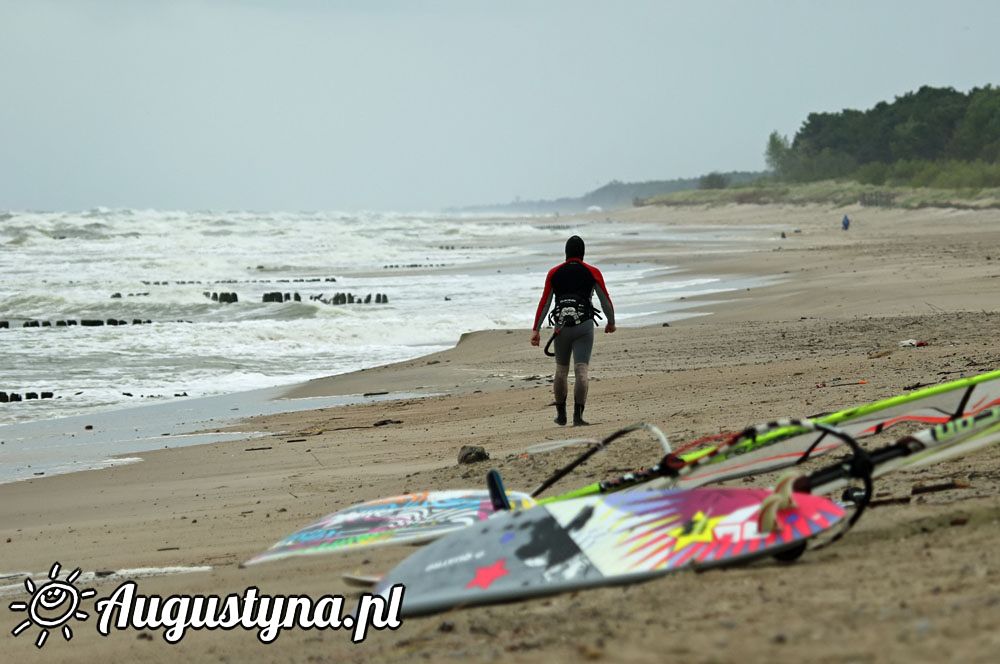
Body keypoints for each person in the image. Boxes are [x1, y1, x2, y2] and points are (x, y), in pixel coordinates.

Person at [530, 235, 616, 426]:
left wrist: (536, 329)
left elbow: (544, 302)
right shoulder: (592, 272)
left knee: (561, 370)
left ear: (566, 252)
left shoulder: (554, 273)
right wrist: (611, 322)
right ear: (583, 253)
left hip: (561, 327)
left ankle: (561, 415)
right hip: (584, 326)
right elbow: (605, 300)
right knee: (581, 370)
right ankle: (578, 416)